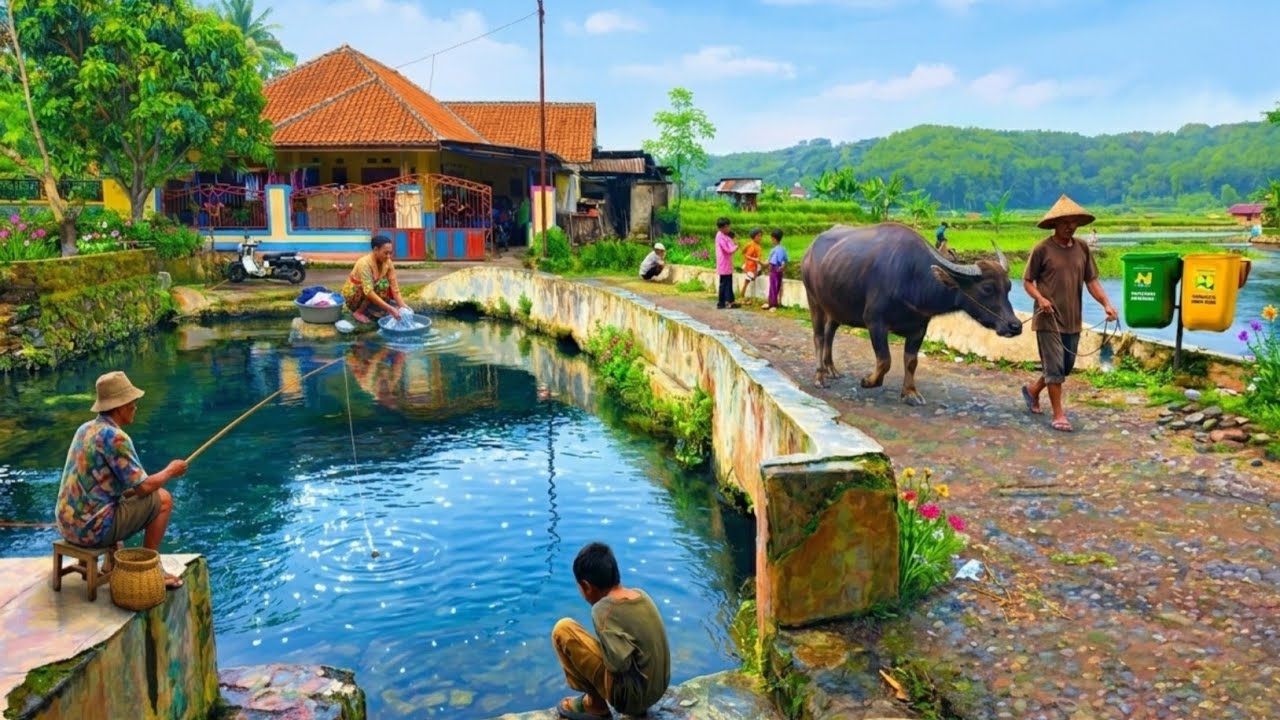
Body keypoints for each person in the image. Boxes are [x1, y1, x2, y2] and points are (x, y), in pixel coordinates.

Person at [54, 371, 189, 589]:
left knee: (123, 499)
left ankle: (110, 563)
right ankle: (153, 568)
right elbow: (144, 488)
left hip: (66, 524)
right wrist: (171, 471)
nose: (135, 408)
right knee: (163, 499)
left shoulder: (85, 429)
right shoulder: (115, 437)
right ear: (120, 407)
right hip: (92, 531)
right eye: (133, 404)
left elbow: (110, 486)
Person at [1021, 195, 1119, 433]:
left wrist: (1107, 303)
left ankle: (1033, 391)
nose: (1070, 226)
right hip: (1048, 319)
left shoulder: (1082, 248)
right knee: (1054, 368)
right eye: (1065, 222)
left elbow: (1092, 280)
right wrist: (1041, 298)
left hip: (1073, 319)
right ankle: (1059, 415)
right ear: (1055, 223)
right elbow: (1027, 281)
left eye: (1074, 221)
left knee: (1064, 367)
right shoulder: (1042, 249)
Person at [551, 542, 670, 720]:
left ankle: (595, 705)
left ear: (586, 586)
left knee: (563, 629)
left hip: (632, 700)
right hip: (658, 689)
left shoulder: (603, 610)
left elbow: (617, 665)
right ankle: (636, 705)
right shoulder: (640, 595)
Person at [342, 235, 406, 324]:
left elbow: (395, 288)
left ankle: (371, 309)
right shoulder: (364, 263)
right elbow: (368, 291)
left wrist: (403, 306)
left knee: (384, 284)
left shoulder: (388, 262)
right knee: (379, 285)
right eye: (386, 253)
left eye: (390, 253)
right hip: (354, 296)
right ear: (376, 250)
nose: (388, 256)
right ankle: (358, 312)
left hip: (369, 292)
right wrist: (390, 309)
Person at [714, 217, 739, 309]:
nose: (729, 229)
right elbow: (727, 250)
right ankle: (723, 302)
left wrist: (734, 243)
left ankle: (729, 301)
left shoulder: (724, 235)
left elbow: (730, 245)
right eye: (727, 227)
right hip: (723, 263)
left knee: (728, 282)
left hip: (727, 264)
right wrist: (736, 247)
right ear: (722, 228)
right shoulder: (720, 236)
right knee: (725, 284)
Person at [765, 228, 788, 311]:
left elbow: (772, 262)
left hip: (774, 270)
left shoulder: (774, 250)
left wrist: (769, 269)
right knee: (777, 286)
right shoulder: (783, 249)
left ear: (774, 239)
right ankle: (776, 303)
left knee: (773, 287)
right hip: (780, 271)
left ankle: (772, 304)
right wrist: (783, 267)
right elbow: (785, 260)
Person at [740, 228, 764, 302]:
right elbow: (745, 253)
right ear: (754, 236)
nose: (760, 238)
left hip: (754, 265)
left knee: (751, 279)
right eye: (758, 236)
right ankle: (742, 295)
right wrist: (754, 259)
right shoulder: (750, 245)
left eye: (761, 236)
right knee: (747, 280)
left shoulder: (758, 246)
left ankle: (746, 295)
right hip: (751, 265)